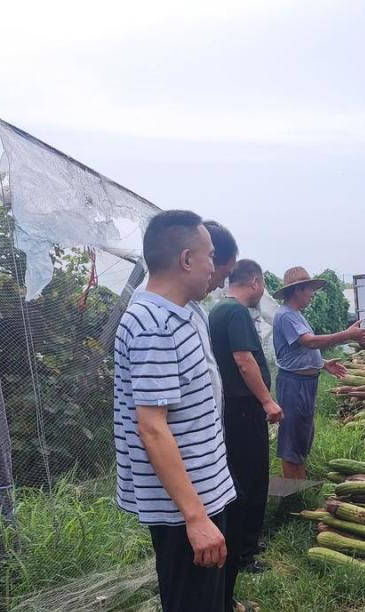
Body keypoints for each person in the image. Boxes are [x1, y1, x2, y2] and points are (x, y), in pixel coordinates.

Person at [114, 210, 235, 612]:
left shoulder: (186, 312)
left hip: (203, 494)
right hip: (184, 509)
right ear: (186, 260)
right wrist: (196, 518)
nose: (213, 268)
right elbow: (152, 428)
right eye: (210, 257)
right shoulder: (153, 324)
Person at [209, 259, 282, 611]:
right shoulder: (236, 312)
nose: (262, 293)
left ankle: (244, 544)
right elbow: (243, 360)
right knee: (252, 478)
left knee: (241, 476)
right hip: (243, 407)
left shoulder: (216, 310)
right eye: (262, 286)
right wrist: (267, 400)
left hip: (231, 408)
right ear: (254, 282)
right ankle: (243, 554)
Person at [272, 266, 365, 479]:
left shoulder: (296, 315)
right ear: (298, 290)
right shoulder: (286, 316)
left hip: (303, 382)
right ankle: (294, 495)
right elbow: (308, 342)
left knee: (302, 436)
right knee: (293, 439)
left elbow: (299, 351)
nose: (312, 295)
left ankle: (299, 486)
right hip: (294, 384)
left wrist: (322, 363)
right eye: (310, 290)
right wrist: (347, 335)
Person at [187, 220, 238, 416]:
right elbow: (153, 422)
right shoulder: (156, 311)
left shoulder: (193, 307)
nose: (221, 284)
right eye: (224, 274)